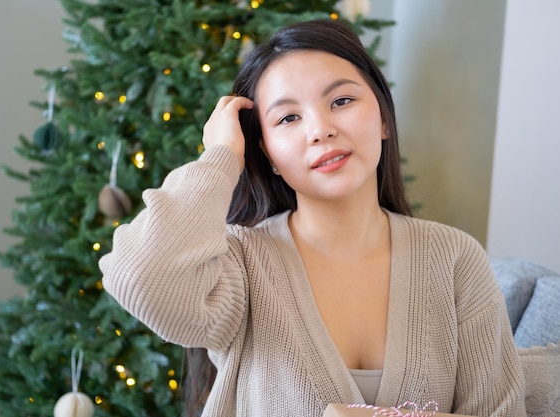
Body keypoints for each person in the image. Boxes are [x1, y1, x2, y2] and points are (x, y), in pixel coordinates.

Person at [99, 19, 525, 417]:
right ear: (268, 155)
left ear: (383, 119)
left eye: (341, 100)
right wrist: (221, 157)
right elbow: (141, 278)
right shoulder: (239, 266)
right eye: (288, 118)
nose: (320, 129)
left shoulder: (454, 259)